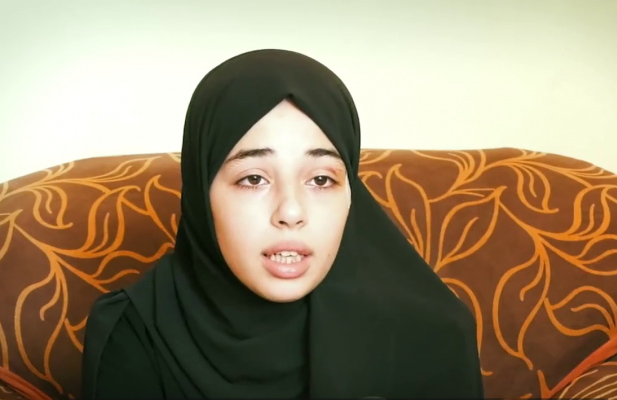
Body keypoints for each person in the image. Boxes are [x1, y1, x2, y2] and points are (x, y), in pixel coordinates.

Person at [80, 49, 484, 399]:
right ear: (202, 193)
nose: (290, 211)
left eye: (320, 179)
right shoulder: (133, 331)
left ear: (351, 195)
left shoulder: (433, 336)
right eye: (254, 178)